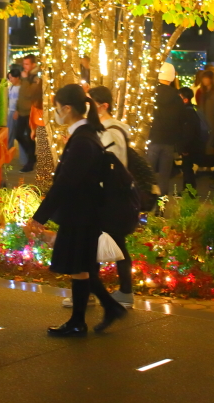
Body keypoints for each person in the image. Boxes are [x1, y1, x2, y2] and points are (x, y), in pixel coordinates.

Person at [24, 84, 127, 336]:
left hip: (81, 214)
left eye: (57, 108)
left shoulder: (82, 139)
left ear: (67, 108)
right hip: (84, 213)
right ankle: (102, 310)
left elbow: (65, 183)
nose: (56, 113)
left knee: (79, 266)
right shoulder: (85, 135)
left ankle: (80, 321)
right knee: (81, 267)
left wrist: (38, 219)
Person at [87, 86, 134, 309]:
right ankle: (114, 291)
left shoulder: (110, 131)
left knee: (102, 241)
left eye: (91, 104)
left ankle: (121, 292)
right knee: (104, 242)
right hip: (113, 195)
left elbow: (109, 165)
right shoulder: (108, 129)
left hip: (111, 196)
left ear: (103, 106)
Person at [147, 63, 184, 195]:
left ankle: (144, 210)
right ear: (173, 77)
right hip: (169, 142)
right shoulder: (177, 98)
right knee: (164, 177)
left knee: (147, 176)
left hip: (151, 139)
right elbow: (181, 121)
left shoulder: (150, 94)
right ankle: (161, 210)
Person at [178, 87, 205, 192]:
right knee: (188, 169)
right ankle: (189, 191)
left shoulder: (187, 112)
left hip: (189, 146)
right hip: (193, 144)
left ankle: (189, 192)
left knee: (187, 169)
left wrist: (184, 148)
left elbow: (188, 132)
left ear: (185, 99)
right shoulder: (193, 110)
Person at [16, 55, 39, 172]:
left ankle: (30, 162)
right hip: (22, 111)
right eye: (24, 64)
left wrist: (24, 80)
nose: (24, 67)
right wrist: (17, 109)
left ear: (33, 65)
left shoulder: (35, 77)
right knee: (18, 134)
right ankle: (32, 157)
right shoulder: (27, 76)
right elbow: (21, 94)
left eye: (27, 64)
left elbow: (28, 93)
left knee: (30, 138)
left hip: (31, 112)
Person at [30, 78, 54, 193]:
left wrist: (33, 130)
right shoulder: (53, 96)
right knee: (51, 160)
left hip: (41, 130)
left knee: (43, 160)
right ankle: (50, 187)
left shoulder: (37, 98)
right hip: (53, 130)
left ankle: (42, 188)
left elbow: (32, 115)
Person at [196, 67, 214, 156]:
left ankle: (210, 161)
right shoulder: (201, 92)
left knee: (211, 143)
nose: (204, 80)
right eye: (203, 78)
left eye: (206, 78)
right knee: (205, 143)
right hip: (203, 121)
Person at [6, 68, 21, 151]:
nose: (10, 80)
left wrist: (17, 111)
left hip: (16, 112)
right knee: (10, 131)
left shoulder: (20, 88)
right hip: (11, 111)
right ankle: (9, 148)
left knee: (13, 131)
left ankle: (10, 148)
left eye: (12, 77)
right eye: (9, 78)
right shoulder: (11, 87)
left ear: (17, 77)